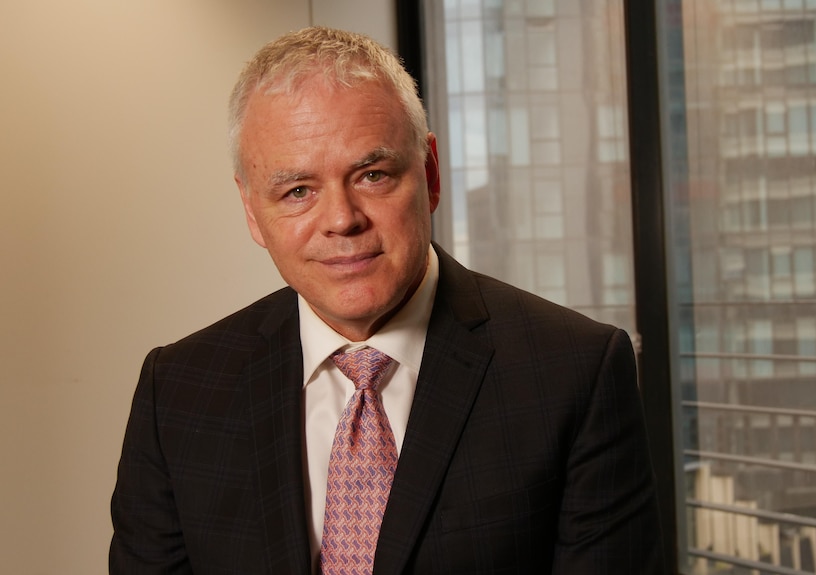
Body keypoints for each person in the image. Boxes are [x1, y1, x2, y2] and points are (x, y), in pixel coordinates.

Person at [110, 26, 665, 574]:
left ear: (430, 173)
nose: (342, 219)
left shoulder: (574, 373)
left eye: (372, 174)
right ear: (252, 210)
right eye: (297, 191)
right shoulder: (178, 390)